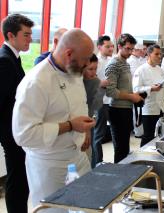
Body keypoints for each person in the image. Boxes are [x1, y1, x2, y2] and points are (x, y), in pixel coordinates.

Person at [12, 29, 96, 212]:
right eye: (85, 59)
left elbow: (80, 103)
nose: (88, 64)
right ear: (68, 54)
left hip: (77, 158)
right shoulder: (36, 82)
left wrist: (85, 130)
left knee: (88, 207)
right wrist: (71, 126)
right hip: (50, 166)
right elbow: (23, 135)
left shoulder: (74, 70)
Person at [0, 13, 33, 213]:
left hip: (16, 128)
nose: (30, 39)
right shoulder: (5, 61)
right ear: (11, 36)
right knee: (17, 177)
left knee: (20, 176)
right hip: (10, 130)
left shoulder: (14, 57)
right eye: (26, 35)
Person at [105, 33, 144, 163]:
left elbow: (124, 87)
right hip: (117, 110)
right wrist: (131, 97)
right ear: (119, 46)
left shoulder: (125, 64)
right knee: (120, 149)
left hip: (126, 109)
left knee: (125, 148)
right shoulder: (113, 64)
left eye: (132, 49)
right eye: (127, 48)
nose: (130, 52)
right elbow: (110, 91)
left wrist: (135, 95)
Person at [133, 44, 164, 147]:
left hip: (160, 107)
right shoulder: (141, 70)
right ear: (148, 55)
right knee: (148, 136)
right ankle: (142, 157)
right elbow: (136, 89)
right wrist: (151, 88)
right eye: (156, 54)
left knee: (158, 134)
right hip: (148, 108)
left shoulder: (160, 69)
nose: (159, 56)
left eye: (160, 54)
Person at [91, 35, 114, 168]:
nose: (111, 48)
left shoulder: (111, 61)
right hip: (100, 101)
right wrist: (101, 83)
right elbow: (89, 80)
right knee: (98, 136)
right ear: (99, 47)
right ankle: (97, 164)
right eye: (107, 46)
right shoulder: (96, 62)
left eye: (111, 46)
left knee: (112, 132)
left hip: (112, 100)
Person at [127, 42, 146, 138]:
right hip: (135, 90)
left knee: (140, 112)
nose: (141, 51)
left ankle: (141, 130)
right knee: (137, 113)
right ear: (134, 51)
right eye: (139, 50)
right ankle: (138, 132)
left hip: (141, 89)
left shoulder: (138, 60)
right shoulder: (131, 61)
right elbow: (137, 74)